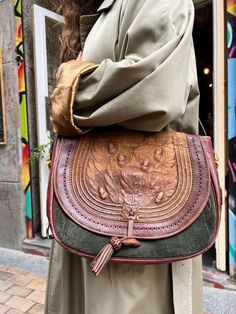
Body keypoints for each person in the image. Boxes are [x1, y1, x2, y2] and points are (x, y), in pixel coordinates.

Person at [45, 0, 202, 313]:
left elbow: (155, 92)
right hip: (97, 212)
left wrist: (68, 87)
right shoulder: (106, 8)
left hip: (140, 223)